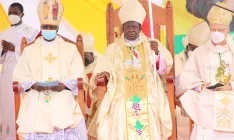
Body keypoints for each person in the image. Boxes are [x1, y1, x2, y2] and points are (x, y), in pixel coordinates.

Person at [90, 0, 173, 139]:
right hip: (120, 92)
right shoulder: (113, 48)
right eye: (128, 26)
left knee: (151, 104)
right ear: (122, 28)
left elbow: (163, 70)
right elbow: (102, 68)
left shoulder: (151, 45)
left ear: (140, 28)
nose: (131, 30)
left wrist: (157, 54)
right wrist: (105, 73)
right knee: (120, 106)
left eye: (134, 26)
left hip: (149, 91)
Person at [12, 0, 88, 139]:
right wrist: (33, 84)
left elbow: (79, 74)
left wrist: (64, 85)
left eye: (51, 27)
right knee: (33, 105)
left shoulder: (70, 49)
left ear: (57, 29)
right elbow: (19, 76)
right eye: (45, 27)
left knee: (65, 104)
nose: (48, 30)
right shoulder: (29, 50)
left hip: (63, 93)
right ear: (40, 27)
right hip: (36, 94)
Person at [177, 2, 234, 139]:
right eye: (213, 30)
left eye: (220, 30)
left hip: (233, 95)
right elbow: (187, 77)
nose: (216, 33)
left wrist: (232, 85)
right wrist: (200, 86)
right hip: (208, 96)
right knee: (204, 110)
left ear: (228, 30)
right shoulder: (199, 53)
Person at [0, 2, 38, 140]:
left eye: (15, 13)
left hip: (24, 74)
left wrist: (14, 48)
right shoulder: (3, 33)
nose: (11, 16)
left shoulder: (31, 32)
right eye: (10, 13)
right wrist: (3, 51)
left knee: (23, 106)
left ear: (22, 14)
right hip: (6, 76)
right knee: (7, 108)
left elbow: (34, 53)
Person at [174, 21, 210, 140]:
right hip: (183, 108)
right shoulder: (177, 60)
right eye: (193, 49)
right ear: (188, 47)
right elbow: (178, 87)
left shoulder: (210, 60)